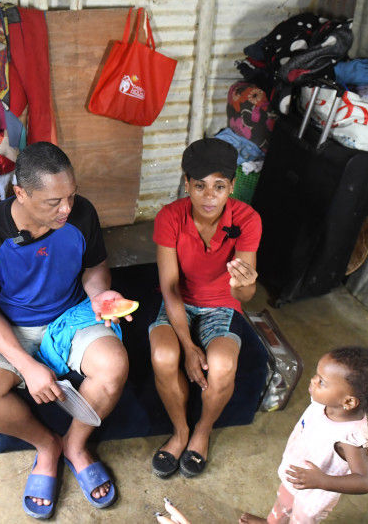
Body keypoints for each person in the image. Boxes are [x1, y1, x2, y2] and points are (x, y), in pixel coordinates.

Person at [0, 142, 130, 519]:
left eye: (71, 195)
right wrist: (26, 365)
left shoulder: (81, 214)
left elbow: (94, 268)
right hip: (12, 326)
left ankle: (75, 445)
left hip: (69, 316)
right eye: (54, 202)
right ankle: (47, 446)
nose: (67, 209)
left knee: (114, 366)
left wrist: (100, 297)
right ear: (19, 192)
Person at [149, 138, 261, 479]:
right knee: (164, 357)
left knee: (223, 364)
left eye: (219, 186)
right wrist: (187, 347)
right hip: (180, 301)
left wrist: (246, 283)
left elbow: (245, 297)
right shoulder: (170, 216)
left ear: (232, 186)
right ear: (187, 184)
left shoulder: (247, 219)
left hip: (222, 305)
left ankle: (202, 431)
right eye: (199, 186)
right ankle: (181, 430)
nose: (209, 197)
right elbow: (169, 287)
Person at [240, 346, 368, 523]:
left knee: (299, 519)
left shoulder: (349, 438)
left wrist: (322, 481)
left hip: (313, 497)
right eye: (317, 375)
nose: (313, 381)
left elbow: (365, 481)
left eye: (322, 382)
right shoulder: (325, 403)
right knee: (284, 503)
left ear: (349, 401)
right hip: (298, 475)